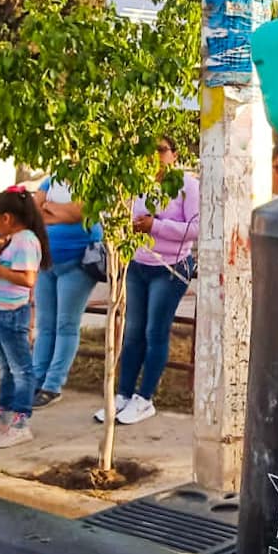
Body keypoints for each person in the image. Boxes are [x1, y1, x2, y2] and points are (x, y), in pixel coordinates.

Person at [97, 136, 199, 426]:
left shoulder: (186, 185)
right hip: (139, 263)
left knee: (156, 330)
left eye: (161, 150)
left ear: (174, 154)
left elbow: (195, 227)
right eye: (148, 151)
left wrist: (156, 225)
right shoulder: (136, 182)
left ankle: (145, 397)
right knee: (132, 332)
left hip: (169, 266)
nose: (155, 156)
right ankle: (123, 394)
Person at [0, 188, 50, 449]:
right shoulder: (13, 239)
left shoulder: (25, 240)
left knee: (21, 369)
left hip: (12, 312)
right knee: (5, 367)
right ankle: (4, 414)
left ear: (7, 218)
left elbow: (28, 279)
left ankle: (20, 421)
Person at [30, 175, 103, 407]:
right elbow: (33, 212)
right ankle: (35, 378)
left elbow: (81, 212)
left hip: (77, 262)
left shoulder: (92, 178)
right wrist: (62, 212)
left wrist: (50, 209)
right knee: (45, 325)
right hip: (46, 262)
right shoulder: (51, 180)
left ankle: (53, 384)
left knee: (66, 325)